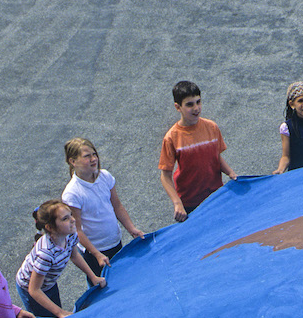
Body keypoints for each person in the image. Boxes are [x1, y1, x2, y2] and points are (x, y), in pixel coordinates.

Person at [61, 137, 145, 276]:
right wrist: (96, 254)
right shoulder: (72, 193)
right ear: (73, 161)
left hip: (114, 241)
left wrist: (132, 229)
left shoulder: (105, 176)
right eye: (87, 156)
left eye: (94, 154)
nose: (94, 159)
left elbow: (117, 206)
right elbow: (77, 230)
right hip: (95, 251)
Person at [14, 199, 106, 318]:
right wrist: (60, 312)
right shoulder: (46, 254)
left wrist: (93, 277)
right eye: (65, 219)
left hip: (48, 283)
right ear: (50, 227)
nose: (73, 220)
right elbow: (34, 290)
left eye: (71, 215)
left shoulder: (70, 234)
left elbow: (74, 255)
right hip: (30, 288)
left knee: (55, 311)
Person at [159, 80, 237, 222]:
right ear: (178, 107)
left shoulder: (211, 127)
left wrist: (231, 173)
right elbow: (165, 176)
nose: (196, 108)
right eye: (189, 104)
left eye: (198, 102)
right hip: (190, 203)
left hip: (216, 196)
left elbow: (215, 157)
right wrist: (177, 203)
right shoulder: (172, 137)